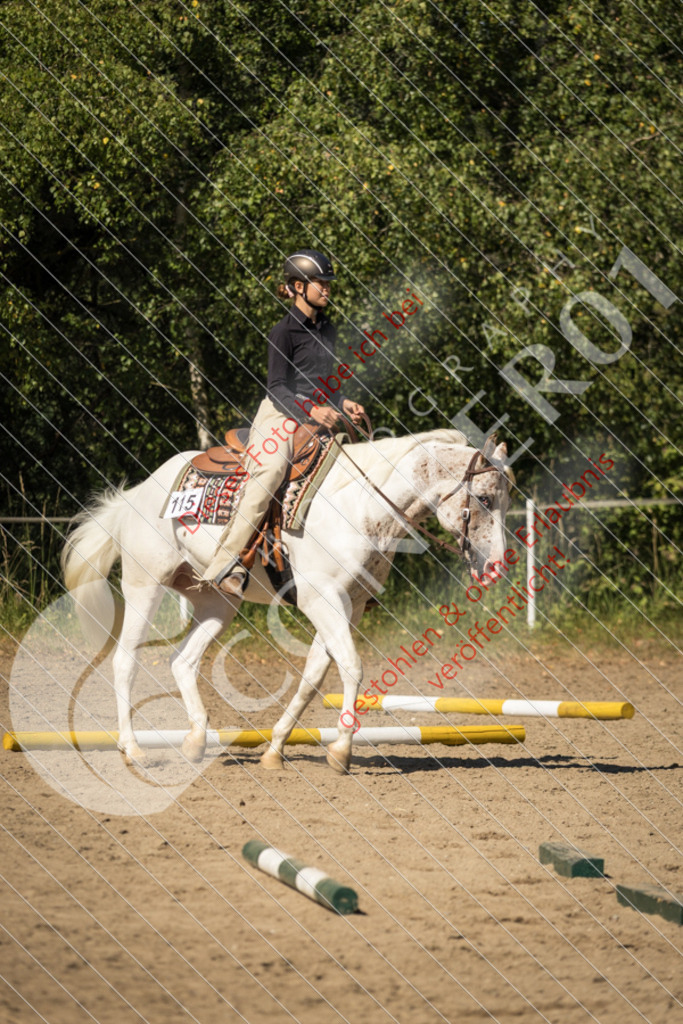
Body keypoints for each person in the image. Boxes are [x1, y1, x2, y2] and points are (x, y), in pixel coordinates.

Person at [202, 249, 365, 596]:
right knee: (272, 471)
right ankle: (230, 563)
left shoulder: (329, 329)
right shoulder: (282, 333)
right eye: (320, 283)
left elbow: (325, 384)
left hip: (318, 412)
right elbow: (277, 388)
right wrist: (312, 410)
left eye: (327, 283)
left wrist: (343, 402)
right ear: (297, 286)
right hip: (280, 413)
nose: (326, 288)